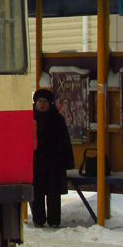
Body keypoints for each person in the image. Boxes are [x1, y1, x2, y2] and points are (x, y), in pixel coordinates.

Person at [31, 88, 75, 228]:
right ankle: (38, 220)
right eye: (40, 101)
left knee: (54, 193)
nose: (42, 104)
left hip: (54, 162)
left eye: (45, 101)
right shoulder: (29, 118)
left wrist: (67, 161)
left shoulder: (57, 119)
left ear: (50, 103)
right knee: (36, 193)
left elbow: (65, 141)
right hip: (35, 162)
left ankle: (54, 221)